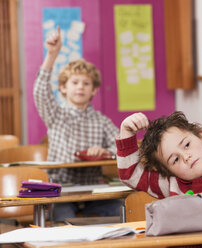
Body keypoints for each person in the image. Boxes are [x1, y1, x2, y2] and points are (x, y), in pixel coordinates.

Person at [34, 26, 122, 221]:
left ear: (94, 90)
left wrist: (106, 152)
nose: (80, 87)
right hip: (61, 192)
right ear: (63, 88)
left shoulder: (101, 120)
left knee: (120, 210)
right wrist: (51, 55)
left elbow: (122, 146)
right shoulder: (55, 114)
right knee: (64, 221)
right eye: (75, 82)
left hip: (94, 191)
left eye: (86, 83)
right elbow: (40, 92)